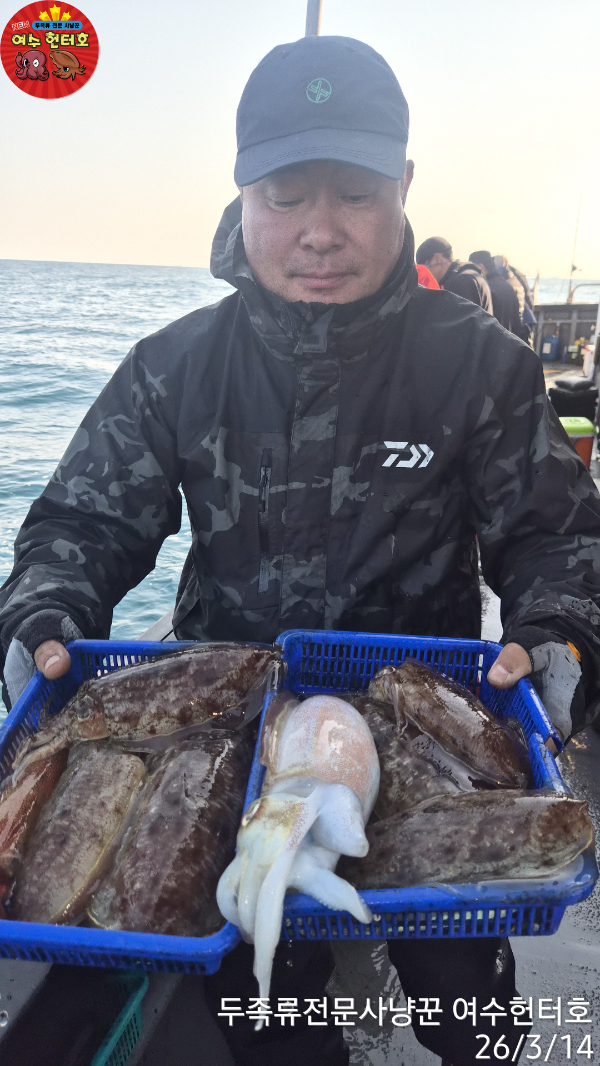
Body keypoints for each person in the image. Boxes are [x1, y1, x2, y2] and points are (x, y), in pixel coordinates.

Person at [2, 34, 600, 1066]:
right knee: (258, 1000)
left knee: (469, 1000)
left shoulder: (483, 367)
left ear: (403, 184)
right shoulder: (174, 366)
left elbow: (553, 536)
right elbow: (81, 526)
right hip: (234, 721)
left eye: (355, 194)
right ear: (242, 194)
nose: (320, 231)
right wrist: (43, 612)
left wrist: (559, 629)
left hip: (423, 708)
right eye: (286, 195)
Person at [415, 235, 492, 310]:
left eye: (424, 267)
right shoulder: (465, 274)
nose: (424, 274)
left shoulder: (464, 280)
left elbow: (463, 317)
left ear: (437, 259)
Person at [469, 249, 527, 337]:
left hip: (494, 340)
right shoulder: (508, 286)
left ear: (480, 267)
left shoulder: (486, 289)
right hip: (509, 340)